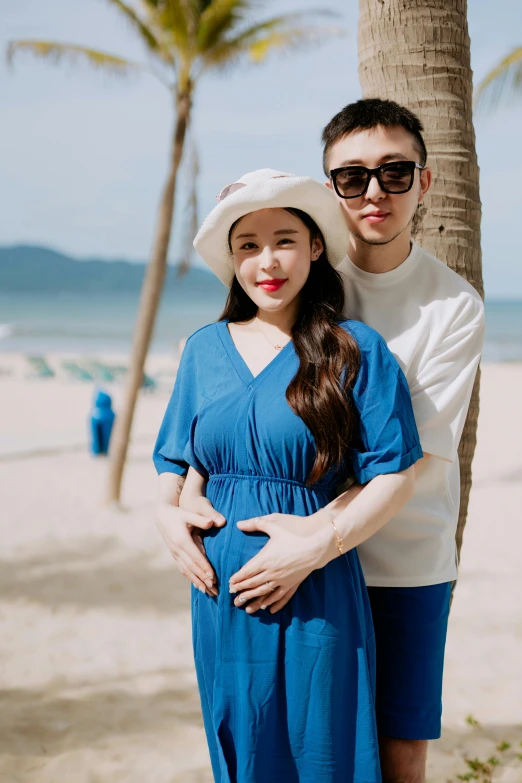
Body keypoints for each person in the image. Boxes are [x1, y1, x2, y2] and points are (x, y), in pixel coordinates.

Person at [153, 169, 424, 782]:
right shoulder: (203, 349)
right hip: (220, 602)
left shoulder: (354, 349)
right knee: (240, 749)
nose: (266, 261)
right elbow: (175, 462)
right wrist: (166, 518)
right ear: (232, 259)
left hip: (315, 592)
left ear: (316, 247)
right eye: (248, 245)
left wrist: (313, 549)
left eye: (284, 240)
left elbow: (395, 475)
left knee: (321, 750)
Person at [250, 99, 483, 783]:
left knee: (400, 752)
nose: (374, 191)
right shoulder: (299, 292)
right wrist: (173, 501)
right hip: (307, 559)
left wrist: (310, 540)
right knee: (302, 742)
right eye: (352, 177)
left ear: (426, 182)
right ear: (330, 191)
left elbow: (414, 457)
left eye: (394, 172)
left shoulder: (453, 305)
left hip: (403, 562)